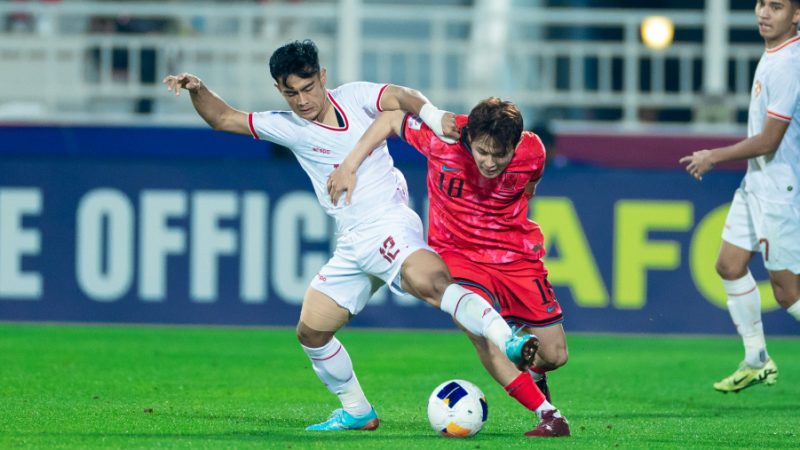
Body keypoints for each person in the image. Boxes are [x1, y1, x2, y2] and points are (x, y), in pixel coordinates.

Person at [163, 39, 538, 431]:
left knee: (433, 283)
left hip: (389, 223)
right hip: (353, 242)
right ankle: (358, 411)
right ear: (279, 90)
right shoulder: (287, 126)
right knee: (312, 331)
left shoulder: (355, 97)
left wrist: (432, 113)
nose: (303, 100)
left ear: (322, 77)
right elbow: (224, 119)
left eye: (308, 88)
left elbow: (402, 96)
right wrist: (198, 89)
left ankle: (506, 337)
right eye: (291, 92)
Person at [328, 98, 571, 437]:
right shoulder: (443, 135)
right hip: (457, 254)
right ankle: (549, 415)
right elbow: (391, 116)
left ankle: (528, 366)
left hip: (514, 255)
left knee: (554, 355)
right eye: (481, 152)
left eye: (498, 156)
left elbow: (531, 182)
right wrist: (349, 165)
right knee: (480, 331)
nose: (488, 162)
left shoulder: (533, 152)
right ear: (469, 137)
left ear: (515, 145)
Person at [679, 0, 799, 393]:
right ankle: (757, 359)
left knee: (787, 294)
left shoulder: (790, 63)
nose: (764, 12)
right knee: (729, 265)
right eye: (761, 3)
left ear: (796, 16)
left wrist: (713, 155)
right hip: (757, 184)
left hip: (781, 190)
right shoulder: (774, 54)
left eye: (776, 6)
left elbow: (769, 140)